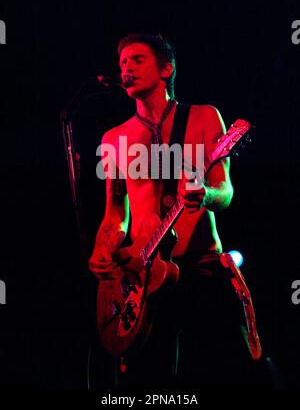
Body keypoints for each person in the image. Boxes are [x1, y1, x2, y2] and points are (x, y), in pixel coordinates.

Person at [89, 33, 265, 389]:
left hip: (201, 266)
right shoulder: (113, 139)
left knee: (231, 373)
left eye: (137, 60)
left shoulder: (203, 118)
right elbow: (114, 214)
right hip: (143, 278)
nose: (126, 68)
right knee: (147, 383)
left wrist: (206, 196)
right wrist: (103, 248)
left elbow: (225, 191)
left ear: (166, 69)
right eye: (122, 62)